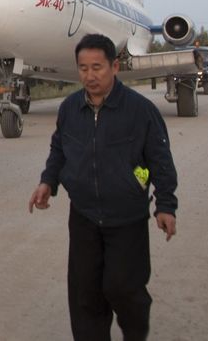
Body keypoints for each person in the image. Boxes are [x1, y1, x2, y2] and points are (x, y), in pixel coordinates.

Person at [28, 33, 178, 341]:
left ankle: (135, 332)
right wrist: (48, 181)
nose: (90, 75)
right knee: (85, 295)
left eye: (97, 67)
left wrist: (165, 205)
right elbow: (59, 148)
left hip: (127, 217)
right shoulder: (70, 108)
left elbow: (160, 160)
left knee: (124, 289)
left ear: (115, 67)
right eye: (83, 68)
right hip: (83, 216)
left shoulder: (139, 110)